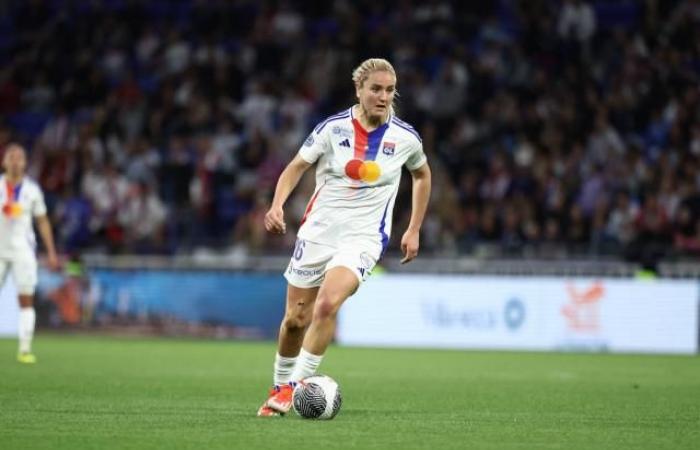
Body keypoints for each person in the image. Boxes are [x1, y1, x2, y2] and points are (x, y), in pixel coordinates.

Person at [257, 58, 431, 416]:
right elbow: (295, 168)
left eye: (389, 90)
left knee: (327, 304)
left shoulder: (405, 138)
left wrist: (413, 227)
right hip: (319, 232)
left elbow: (423, 176)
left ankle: (291, 391)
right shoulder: (332, 129)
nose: (383, 96)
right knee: (295, 319)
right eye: (376, 89)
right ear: (359, 90)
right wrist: (276, 206)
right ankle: (279, 383)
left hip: (363, 238)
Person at [0, 143, 58, 363]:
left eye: (19, 158)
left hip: (23, 251)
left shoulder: (32, 190)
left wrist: (51, 252)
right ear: (4, 161)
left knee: (26, 299)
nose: (15, 161)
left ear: (25, 163)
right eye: (11, 157)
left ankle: (24, 349)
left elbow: (42, 221)